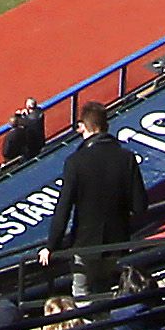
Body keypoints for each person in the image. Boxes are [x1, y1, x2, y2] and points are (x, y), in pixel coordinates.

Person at [51, 102, 148, 301]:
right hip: (117, 240)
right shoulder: (126, 158)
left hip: (85, 243)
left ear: (85, 127)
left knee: (82, 292)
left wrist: (52, 245)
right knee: (105, 290)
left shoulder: (75, 161)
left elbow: (64, 207)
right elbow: (140, 205)